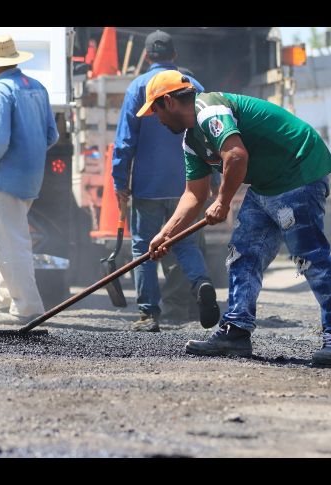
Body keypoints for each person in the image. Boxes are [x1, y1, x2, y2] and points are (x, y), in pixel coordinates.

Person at [141, 70, 331, 365]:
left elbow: (236, 155)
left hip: (298, 169)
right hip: (267, 184)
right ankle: (236, 331)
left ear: (168, 102)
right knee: (242, 254)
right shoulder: (192, 141)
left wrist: (223, 202)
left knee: (309, 256)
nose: (158, 120)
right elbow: (194, 194)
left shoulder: (209, 110)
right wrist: (165, 234)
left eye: (156, 111)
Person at [112, 30, 219, 332]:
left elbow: (124, 142)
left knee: (143, 247)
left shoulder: (138, 87)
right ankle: (201, 284)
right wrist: (214, 177)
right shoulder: (192, 86)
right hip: (189, 185)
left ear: (147, 56)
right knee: (184, 243)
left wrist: (120, 182)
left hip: (148, 186)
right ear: (174, 55)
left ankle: (149, 314)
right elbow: (212, 133)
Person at [0, 34, 59, 325]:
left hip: (8, 178)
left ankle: (27, 308)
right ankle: (5, 299)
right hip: (31, 176)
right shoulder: (37, 87)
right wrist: (31, 154)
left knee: (12, 241)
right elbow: (52, 135)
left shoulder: (0, 90)